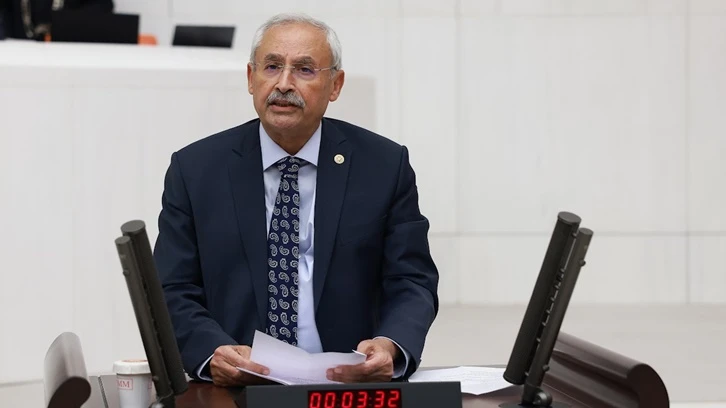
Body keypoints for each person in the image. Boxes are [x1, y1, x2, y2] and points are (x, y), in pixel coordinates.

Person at [153, 13, 439, 387]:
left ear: (335, 85)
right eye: (272, 66)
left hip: (348, 383)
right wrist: (212, 351)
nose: (284, 84)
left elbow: (411, 279)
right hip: (240, 385)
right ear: (251, 77)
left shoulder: (384, 165)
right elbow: (172, 287)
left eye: (304, 69)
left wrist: (391, 345)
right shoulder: (195, 169)